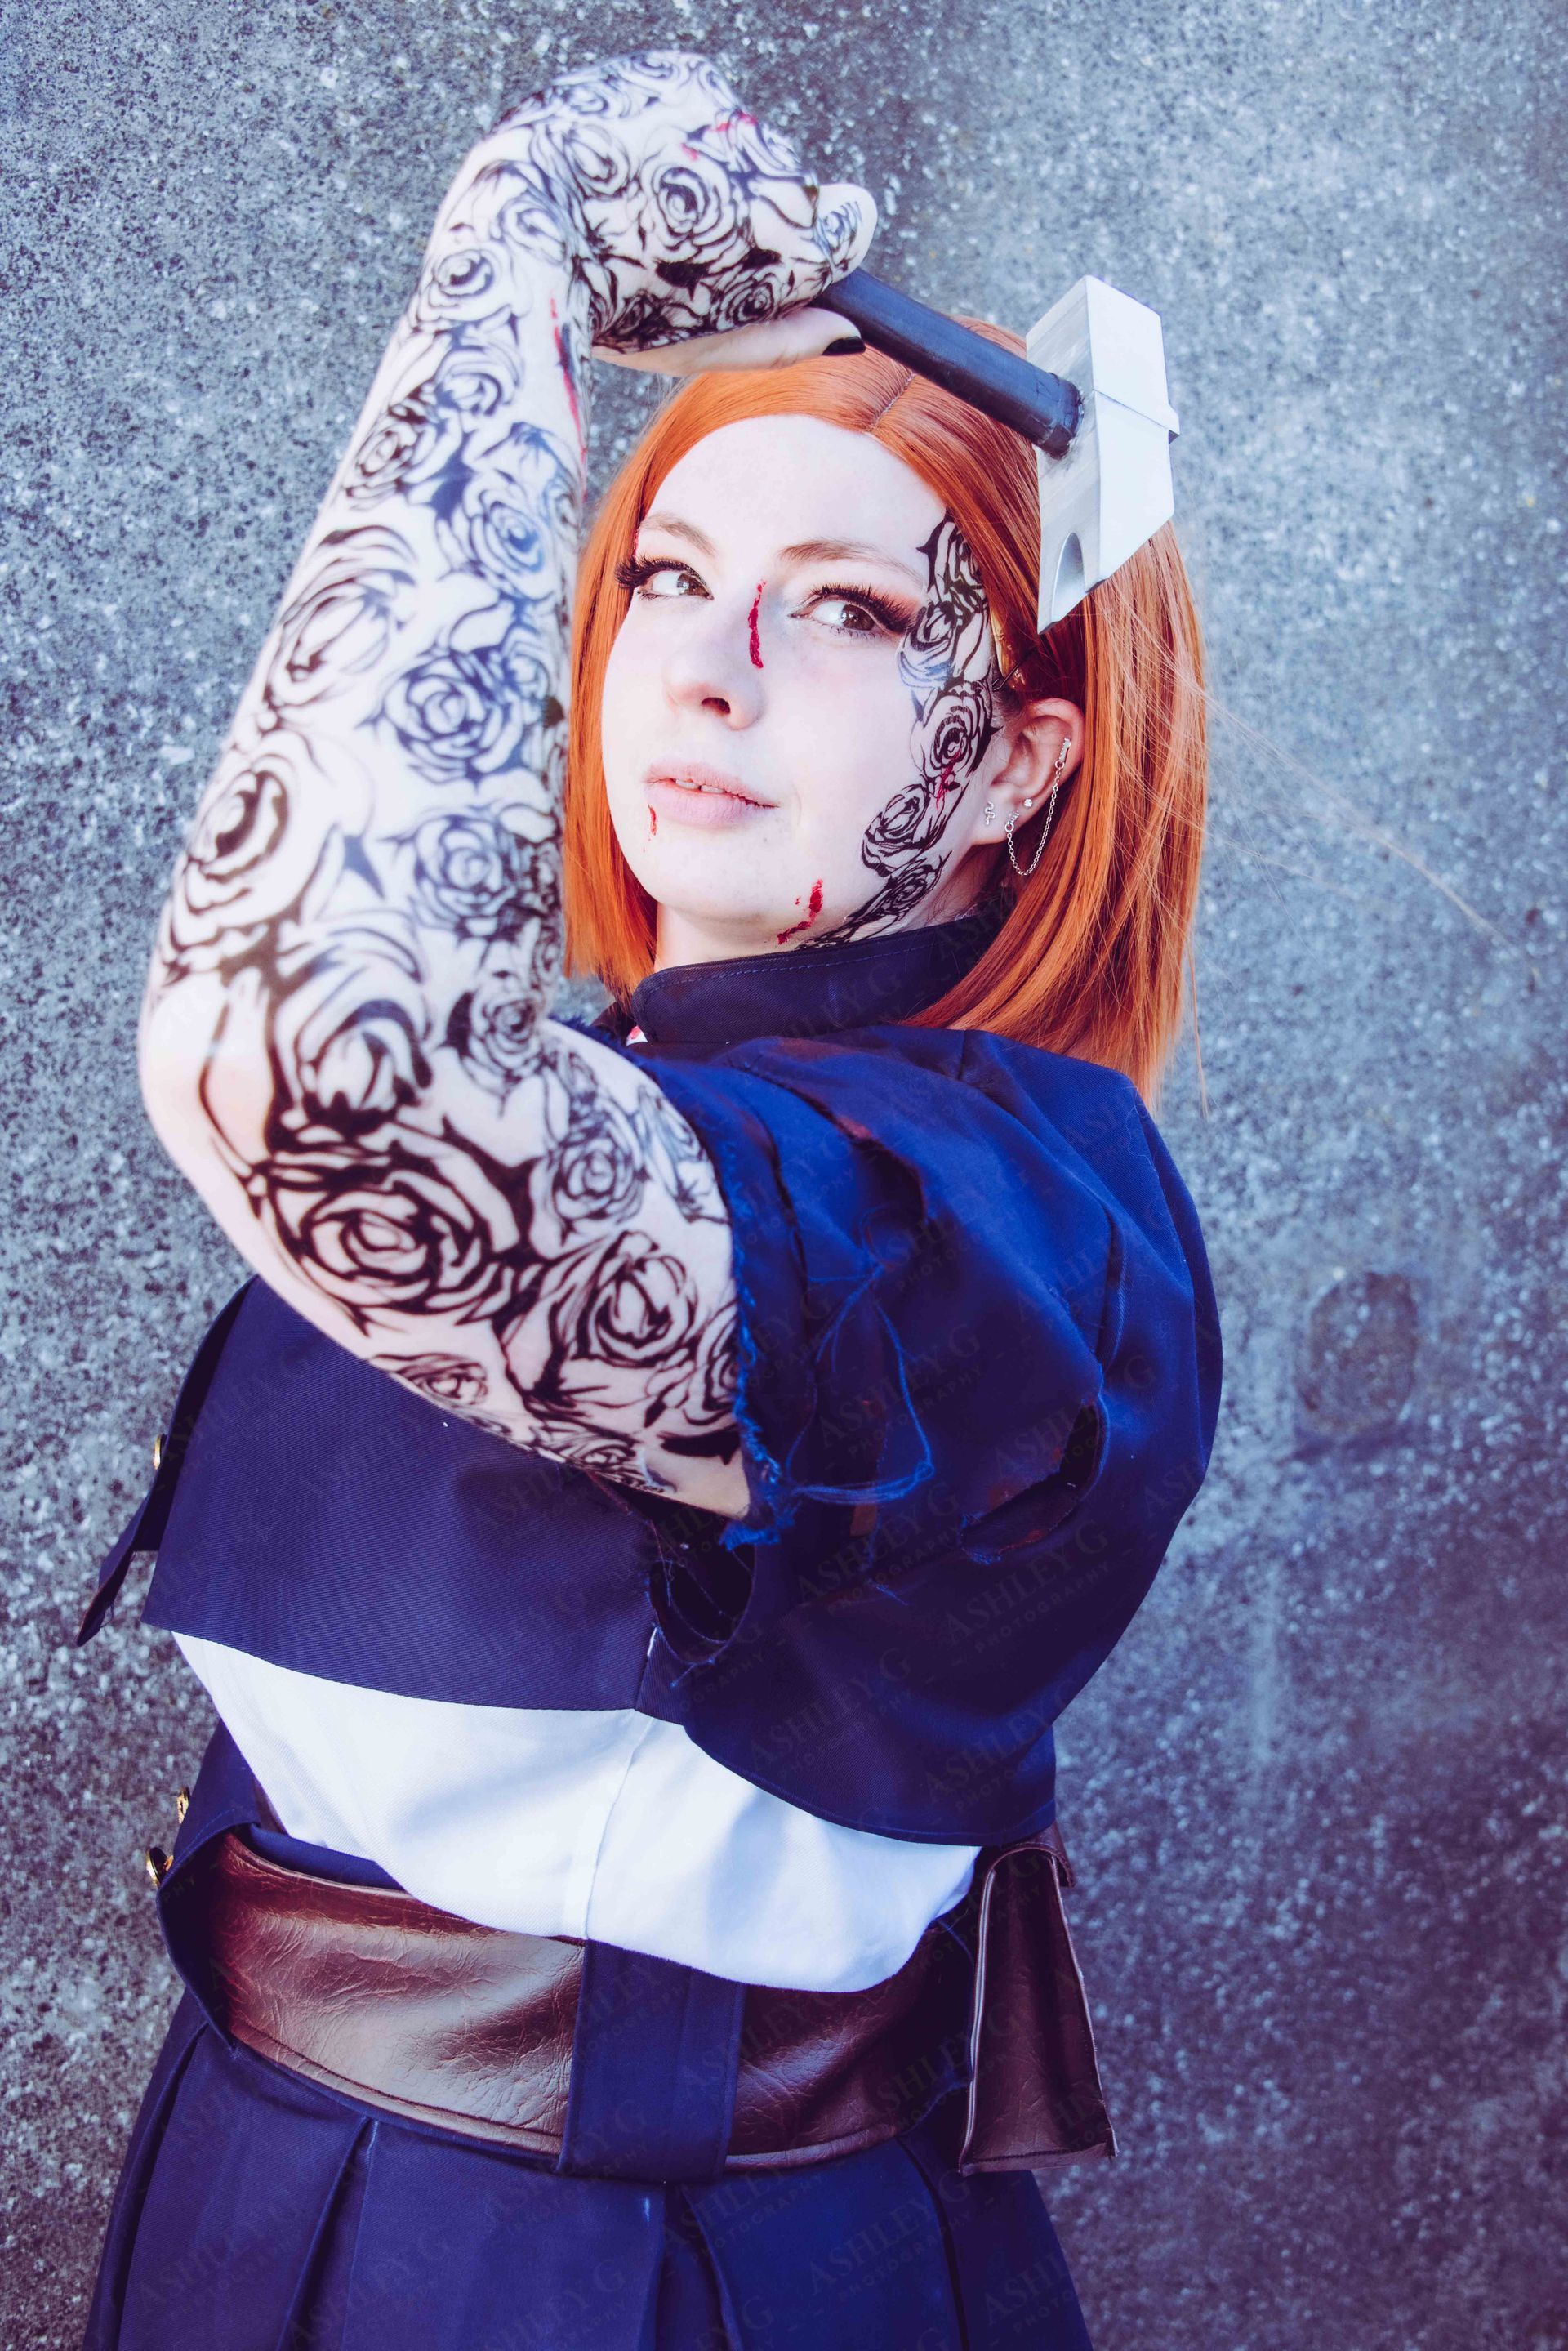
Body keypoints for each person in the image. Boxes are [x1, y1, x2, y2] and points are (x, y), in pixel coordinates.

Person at [79, 51, 1220, 2351]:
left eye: (849, 611)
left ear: (1016, 760)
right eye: (666, 578)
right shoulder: (607, 1083)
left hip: (609, 2268)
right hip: (255, 2177)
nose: (702, 667)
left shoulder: (1010, 1221)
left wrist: (510, 267)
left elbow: (304, 1066)